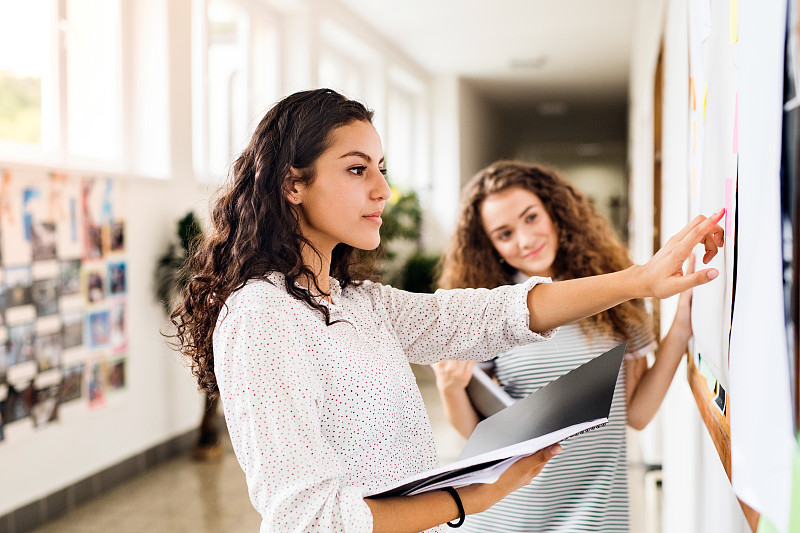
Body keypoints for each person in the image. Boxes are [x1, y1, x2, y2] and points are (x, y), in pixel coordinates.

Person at [170, 88, 724, 533]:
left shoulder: (360, 303)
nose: (383, 190)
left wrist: (642, 280)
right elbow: (310, 520)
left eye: (381, 168)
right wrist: (472, 498)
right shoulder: (261, 316)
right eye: (357, 169)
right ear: (293, 184)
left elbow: (495, 314)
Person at [432, 160, 696, 532]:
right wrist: (449, 388)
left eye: (531, 218)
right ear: (491, 247)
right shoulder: (492, 310)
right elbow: (474, 433)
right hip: (508, 513)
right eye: (504, 234)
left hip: (592, 512)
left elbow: (636, 414)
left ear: (555, 213)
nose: (525, 239)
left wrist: (681, 329)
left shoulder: (619, 292)